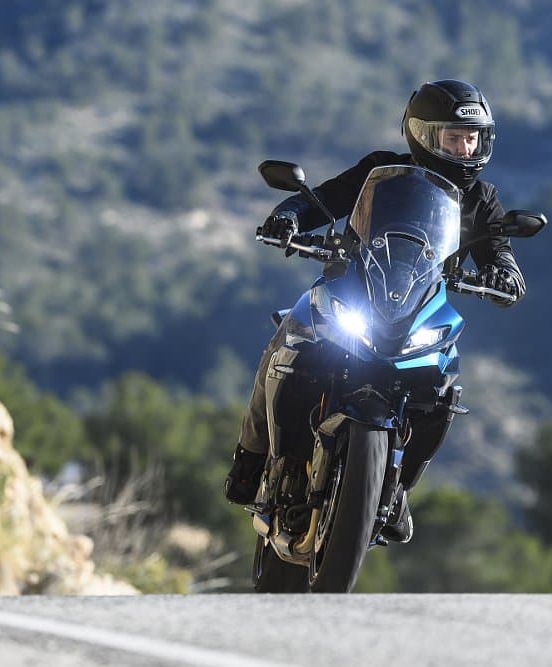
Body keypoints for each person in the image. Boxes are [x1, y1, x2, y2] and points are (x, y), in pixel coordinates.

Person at [224, 79, 526, 543]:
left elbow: (500, 252)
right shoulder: (381, 172)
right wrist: (288, 217)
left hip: (420, 310)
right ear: (423, 135)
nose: (465, 149)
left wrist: (504, 275)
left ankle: (398, 488)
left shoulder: (481, 200)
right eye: (454, 138)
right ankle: (251, 458)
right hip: (352, 289)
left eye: (473, 139)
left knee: (444, 387)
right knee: (290, 335)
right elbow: (321, 199)